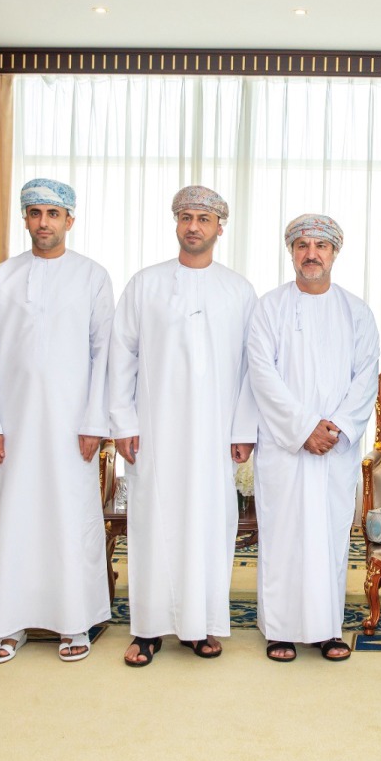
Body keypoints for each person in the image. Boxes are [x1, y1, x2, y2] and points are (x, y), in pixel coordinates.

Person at [109, 185, 258, 667]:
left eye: (204, 219)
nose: (194, 226)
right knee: (153, 523)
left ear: (220, 227)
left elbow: (249, 369)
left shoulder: (238, 290)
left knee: (210, 524)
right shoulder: (145, 283)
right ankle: (148, 629)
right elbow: (121, 357)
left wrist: (243, 429)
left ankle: (201, 626)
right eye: (186, 217)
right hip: (153, 431)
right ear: (176, 223)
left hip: (214, 434)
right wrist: (123, 421)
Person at [0, 178, 115, 663]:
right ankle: (6, 624)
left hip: (72, 428)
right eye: (35, 213)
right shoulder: (2, 278)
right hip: (12, 425)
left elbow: (103, 355)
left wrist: (95, 420)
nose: (43, 222)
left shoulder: (93, 277)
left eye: (53, 213)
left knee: (69, 518)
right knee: (10, 518)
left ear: (70, 220)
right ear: (25, 219)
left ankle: (75, 621)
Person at [247, 214, 379, 662]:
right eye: (302, 245)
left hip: (334, 451)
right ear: (291, 252)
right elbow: (262, 375)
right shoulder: (269, 308)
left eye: (321, 246)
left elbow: (365, 378)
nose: (312, 254)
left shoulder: (356, 311)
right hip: (285, 447)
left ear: (335, 253)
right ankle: (280, 629)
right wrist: (304, 428)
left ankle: (327, 629)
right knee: (284, 535)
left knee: (329, 537)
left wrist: (335, 427)